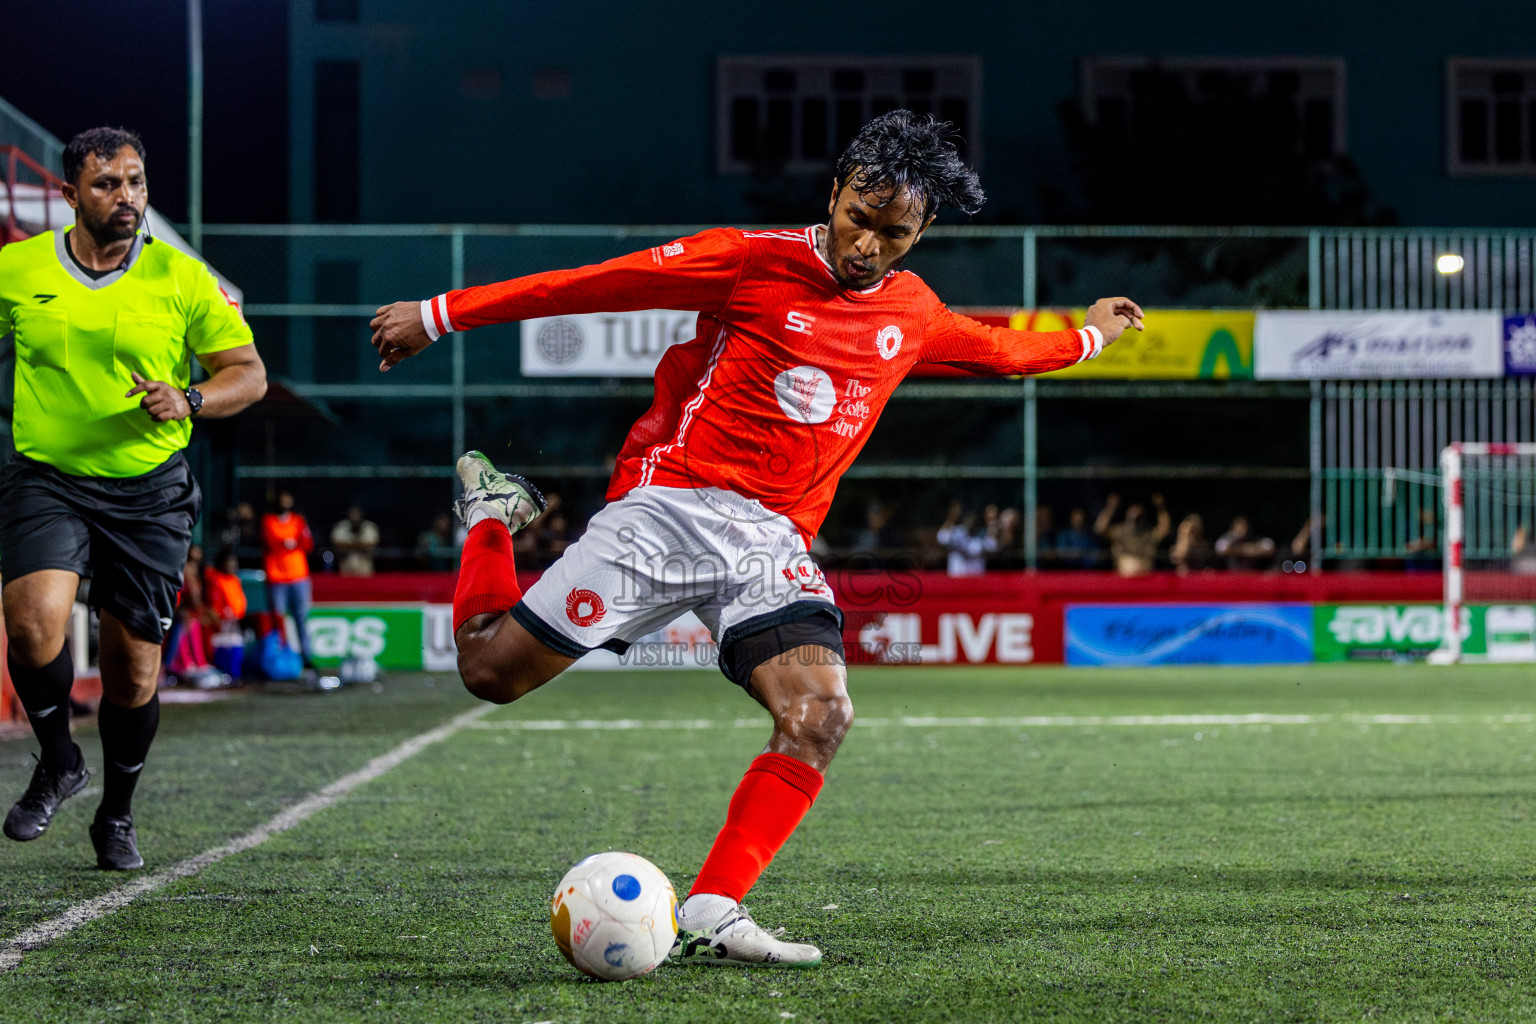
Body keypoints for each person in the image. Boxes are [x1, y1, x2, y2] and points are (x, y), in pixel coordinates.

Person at [370, 110, 1143, 966]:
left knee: (820, 714)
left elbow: (1002, 353)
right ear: (835, 191)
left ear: (920, 234)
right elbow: (599, 283)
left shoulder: (912, 312)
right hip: (671, 509)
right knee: (489, 670)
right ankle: (492, 515)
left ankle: (713, 908)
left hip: (770, 544)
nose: (867, 246)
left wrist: (1093, 334)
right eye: (858, 218)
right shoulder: (752, 260)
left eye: (893, 234)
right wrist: (439, 314)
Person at [0, 127, 265, 869]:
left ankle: (115, 813)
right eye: (107, 183)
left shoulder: (182, 277)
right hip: (47, 478)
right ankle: (59, 760)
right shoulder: (17, 268)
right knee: (33, 621)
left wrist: (190, 398)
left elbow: (248, 373)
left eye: (136, 182)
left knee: (133, 671)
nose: (127, 196)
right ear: (69, 194)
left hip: (149, 493)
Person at [260, 491, 315, 667]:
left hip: (299, 576)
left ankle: (306, 657)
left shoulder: (298, 521)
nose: (284, 502)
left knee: (301, 618)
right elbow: (271, 543)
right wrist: (288, 543)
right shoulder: (268, 520)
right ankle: (279, 657)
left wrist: (286, 543)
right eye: (281, 499)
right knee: (278, 620)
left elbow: (307, 543)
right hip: (276, 578)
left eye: (287, 499)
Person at [1093, 493, 1171, 577]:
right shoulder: (1119, 531)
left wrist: (1161, 508)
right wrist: (1110, 508)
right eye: (1133, 513)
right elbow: (1099, 529)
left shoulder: (1149, 533)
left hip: (1146, 576)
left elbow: (1164, 530)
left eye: (1139, 515)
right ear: (1127, 514)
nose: (1136, 516)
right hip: (1124, 576)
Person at [935, 502, 998, 577]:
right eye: (969, 517)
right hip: (956, 579)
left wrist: (991, 522)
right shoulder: (957, 532)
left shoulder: (983, 533)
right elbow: (942, 539)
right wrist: (952, 518)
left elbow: (992, 547)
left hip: (977, 579)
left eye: (974, 517)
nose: (971, 521)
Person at [330, 504, 380, 577]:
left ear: (361, 515)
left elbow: (372, 543)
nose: (354, 517)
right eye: (352, 514)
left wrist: (348, 545)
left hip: (364, 565)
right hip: (346, 563)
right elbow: (337, 543)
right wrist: (360, 545)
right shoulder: (341, 526)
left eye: (357, 514)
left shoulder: (369, 527)